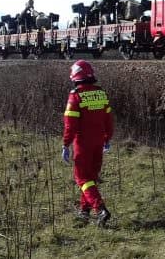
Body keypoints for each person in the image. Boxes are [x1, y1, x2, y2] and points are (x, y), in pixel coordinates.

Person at [62, 59, 114, 226]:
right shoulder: (101, 94)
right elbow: (109, 119)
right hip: (99, 141)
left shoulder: (75, 96)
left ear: (76, 77)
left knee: (82, 179)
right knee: (90, 177)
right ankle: (84, 211)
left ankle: (100, 210)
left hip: (82, 143)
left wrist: (66, 144)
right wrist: (107, 138)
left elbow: (70, 124)